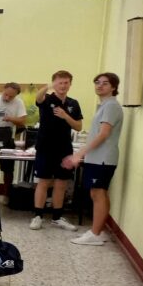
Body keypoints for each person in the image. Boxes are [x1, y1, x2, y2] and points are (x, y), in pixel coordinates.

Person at [68, 72, 123, 246]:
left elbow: (103, 134)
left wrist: (80, 153)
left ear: (113, 87)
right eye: (97, 82)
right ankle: (98, 231)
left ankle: (95, 234)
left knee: (97, 193)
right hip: (97, 158)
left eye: (105, 83)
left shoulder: (111, 106)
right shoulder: (104, 105)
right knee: (98, 193)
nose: (100, 85)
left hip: (102, 159)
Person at [30, 70, 83, 230]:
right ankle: (38, 216)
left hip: (64, 149)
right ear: (54, 83)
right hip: (45, 148)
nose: (63, 86)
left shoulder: (73, 103)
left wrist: (66, 116)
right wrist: (48, 86)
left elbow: (78, 126)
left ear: (70, 84)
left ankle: (57, 217)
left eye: (66, 83)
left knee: (61, 183)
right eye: (60, 82)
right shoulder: (47, 99)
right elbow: (38, 97)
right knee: (43, 182)